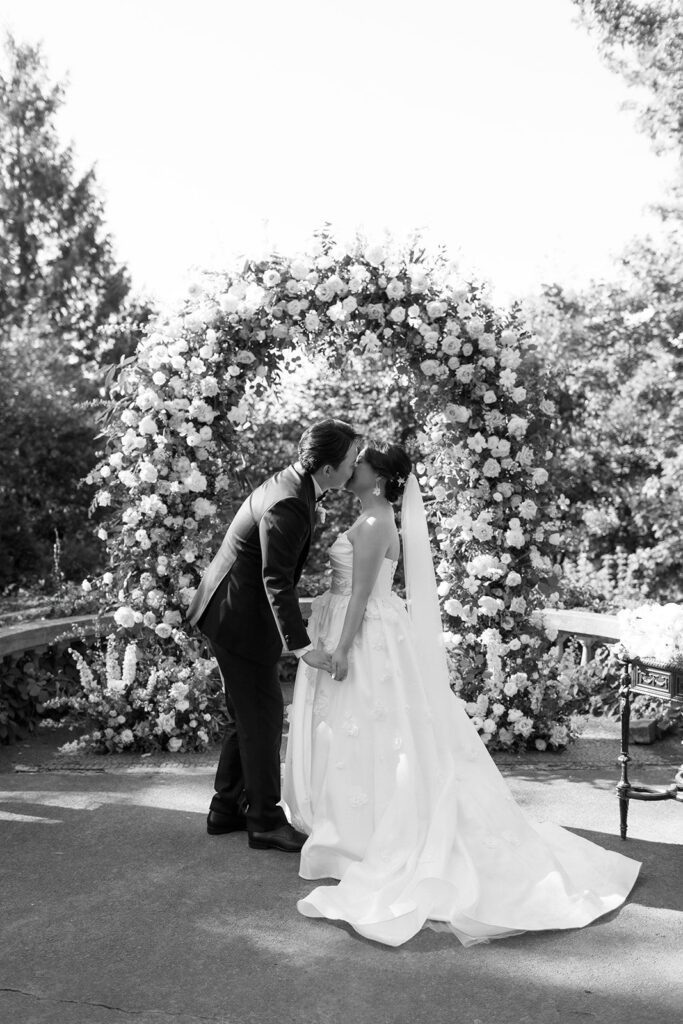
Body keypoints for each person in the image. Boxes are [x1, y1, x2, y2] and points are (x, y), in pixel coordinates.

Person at [283, 442, 641, 946]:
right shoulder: (374, 516)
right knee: (375, 735)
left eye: (360, 462)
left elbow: (362, 596)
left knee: (374, 731)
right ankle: (352, 828)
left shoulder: (373, 523)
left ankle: (361, 835)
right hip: (371, 631)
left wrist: (341, 649)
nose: (353, 466)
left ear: (379, 476)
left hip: (364, 638)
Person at [188, 418, 360, 852]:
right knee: (263, 718)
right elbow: (277, 579)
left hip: (230, 612)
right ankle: (263, 820)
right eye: (351, 461)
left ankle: (225, 809)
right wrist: (302, 647)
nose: (355, 467)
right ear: (327, 470)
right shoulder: (288, 502)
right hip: (237, 619)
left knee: (245, 715)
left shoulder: (296, 485)